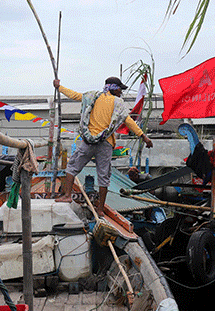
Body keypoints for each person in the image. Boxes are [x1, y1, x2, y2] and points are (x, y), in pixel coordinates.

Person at [53, 77, 153, 215]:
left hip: (88, 141)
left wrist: (59, 87)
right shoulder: (118, 103)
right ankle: (100, 209)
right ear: (115, 88)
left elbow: (74, 95)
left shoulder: (92, 97)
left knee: (71, 167)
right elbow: (129, 121)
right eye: (120, 89)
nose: (121, 92)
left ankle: (67, 196)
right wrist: (144, 137)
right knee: (103, 177)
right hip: (105, 143)